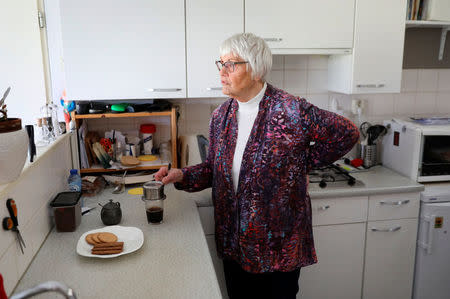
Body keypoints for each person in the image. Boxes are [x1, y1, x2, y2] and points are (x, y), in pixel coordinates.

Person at [154, 33, 359, 299]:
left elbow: (347, 133)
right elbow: (214, 170)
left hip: (278, 250)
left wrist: (300, 164)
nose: (222, 72)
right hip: (234, 246)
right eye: (221, 64)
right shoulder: (221, 117)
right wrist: (180, 175)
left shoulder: (290, 110)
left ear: (255, 69)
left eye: (231, 64)